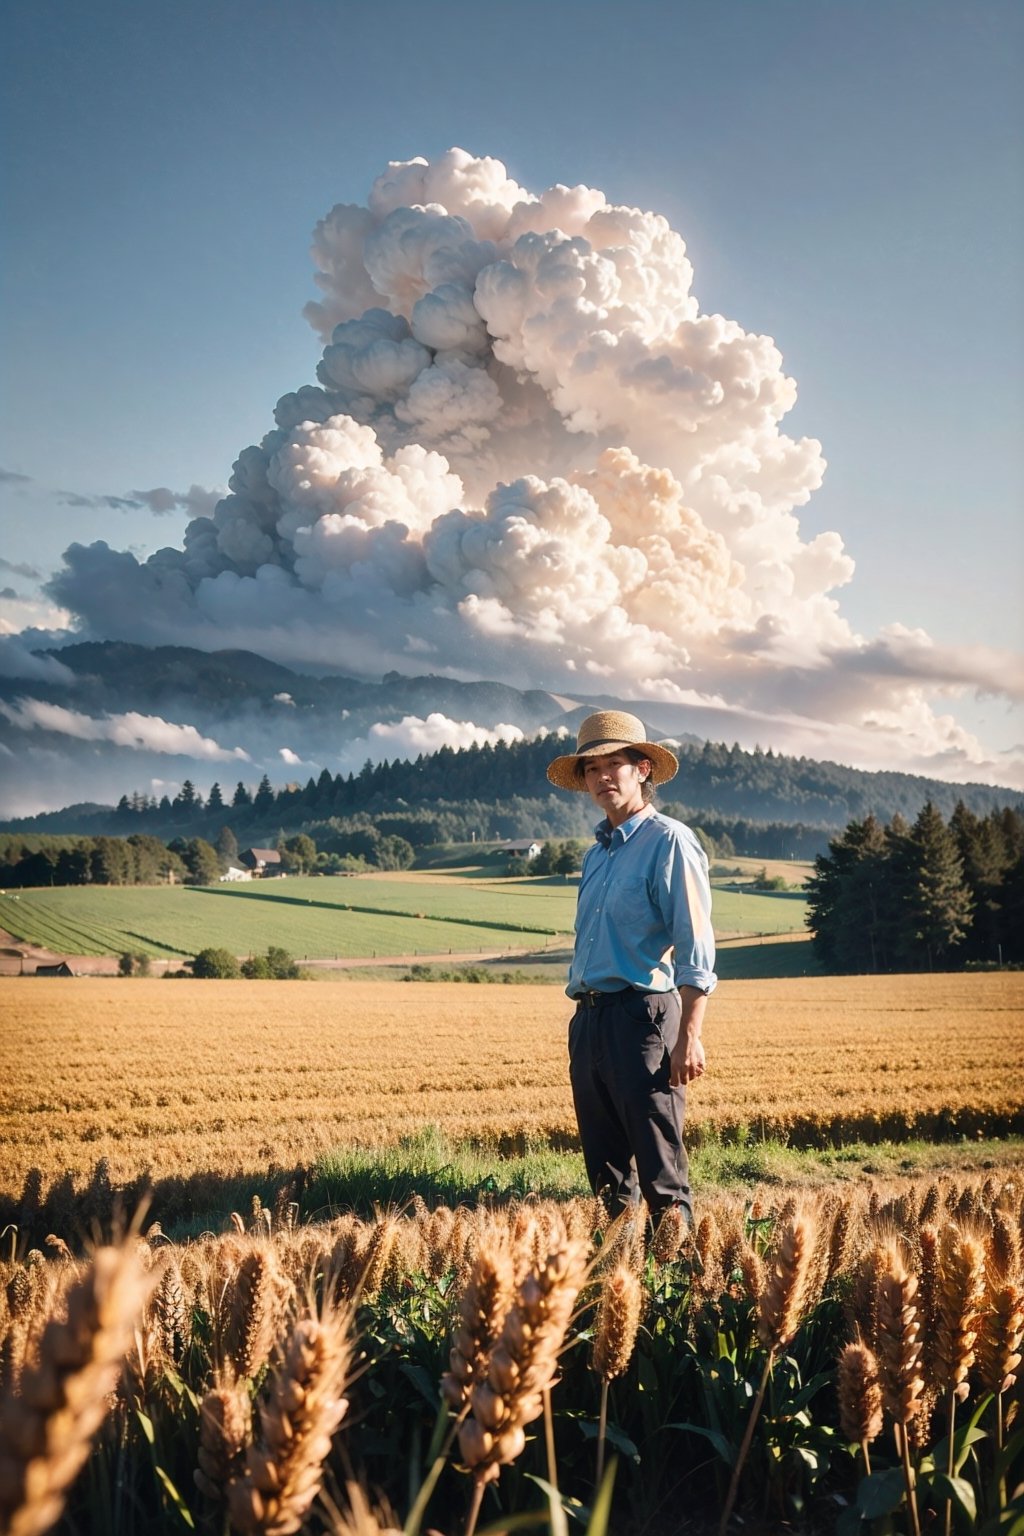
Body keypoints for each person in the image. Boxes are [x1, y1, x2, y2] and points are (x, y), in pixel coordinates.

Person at [547, 710, 716, 1227]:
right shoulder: (595, 855)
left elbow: (694, 944)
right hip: (590, 1020)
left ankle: (680, 1295)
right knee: (606, 1178)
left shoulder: (669, 842)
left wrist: (690, 1035)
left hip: (644, 1019)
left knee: (661, 1172)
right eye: (590, 768)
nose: (601, 777)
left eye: (613, 764)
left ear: (642, 769)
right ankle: (618, 1289)